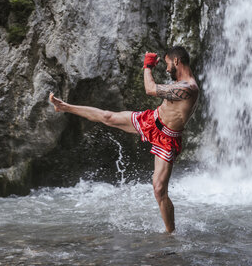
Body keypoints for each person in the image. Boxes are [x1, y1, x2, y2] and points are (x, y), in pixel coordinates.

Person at [49, 46, 199, 233]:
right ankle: (64, 107)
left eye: (168, 63)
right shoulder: (180, 83)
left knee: (159, 189)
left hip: (167, 137)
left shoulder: (188, 88)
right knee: (108, 117)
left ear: (176, 61)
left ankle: (170, 233)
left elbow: (150, 89)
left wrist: (147, 66)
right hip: (152, 120)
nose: (167, 68)